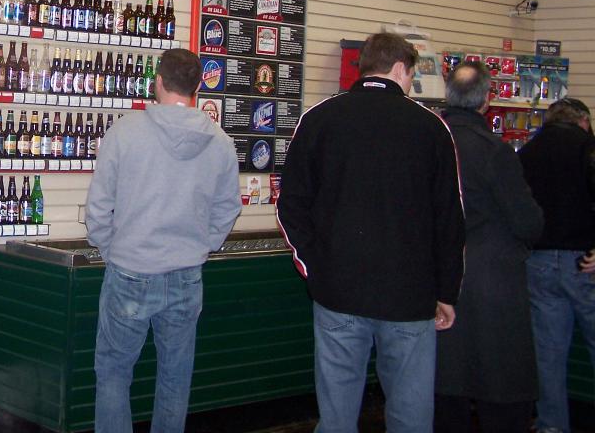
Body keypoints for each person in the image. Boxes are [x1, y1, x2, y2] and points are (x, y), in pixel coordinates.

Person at [276, 31, 465, 433]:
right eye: (412, 74)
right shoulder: (431, 128)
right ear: (399, 68)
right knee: (411, 416)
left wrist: (315, 267)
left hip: (338, 292)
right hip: (410, 298)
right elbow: (450, 220)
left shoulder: (320, 118)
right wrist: (447, 291)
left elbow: (290, 203)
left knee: (337, 416)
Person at [85, 48, 240, 433]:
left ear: (157, 81)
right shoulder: (220, 142)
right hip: (187, 275)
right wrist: (203, 245)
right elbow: (228, 208)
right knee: (174, 379)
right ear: (198, 87)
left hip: (130, 273)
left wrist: (112, 248)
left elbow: (98, 209)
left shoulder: (124, 133)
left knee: (114, 374)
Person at [435, 60, 543, 433]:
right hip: (493, 283)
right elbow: (528, 221)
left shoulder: (429, 142)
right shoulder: (494, 151)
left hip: (436, 279)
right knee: (501, 389)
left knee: (444, 391)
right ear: (487, 101)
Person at [520, 96, 595, 433]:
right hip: (585, 262)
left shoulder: (528, 152)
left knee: (548, 354)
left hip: (538, 261)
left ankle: (552, 425)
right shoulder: (589, 148)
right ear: (583, 121)